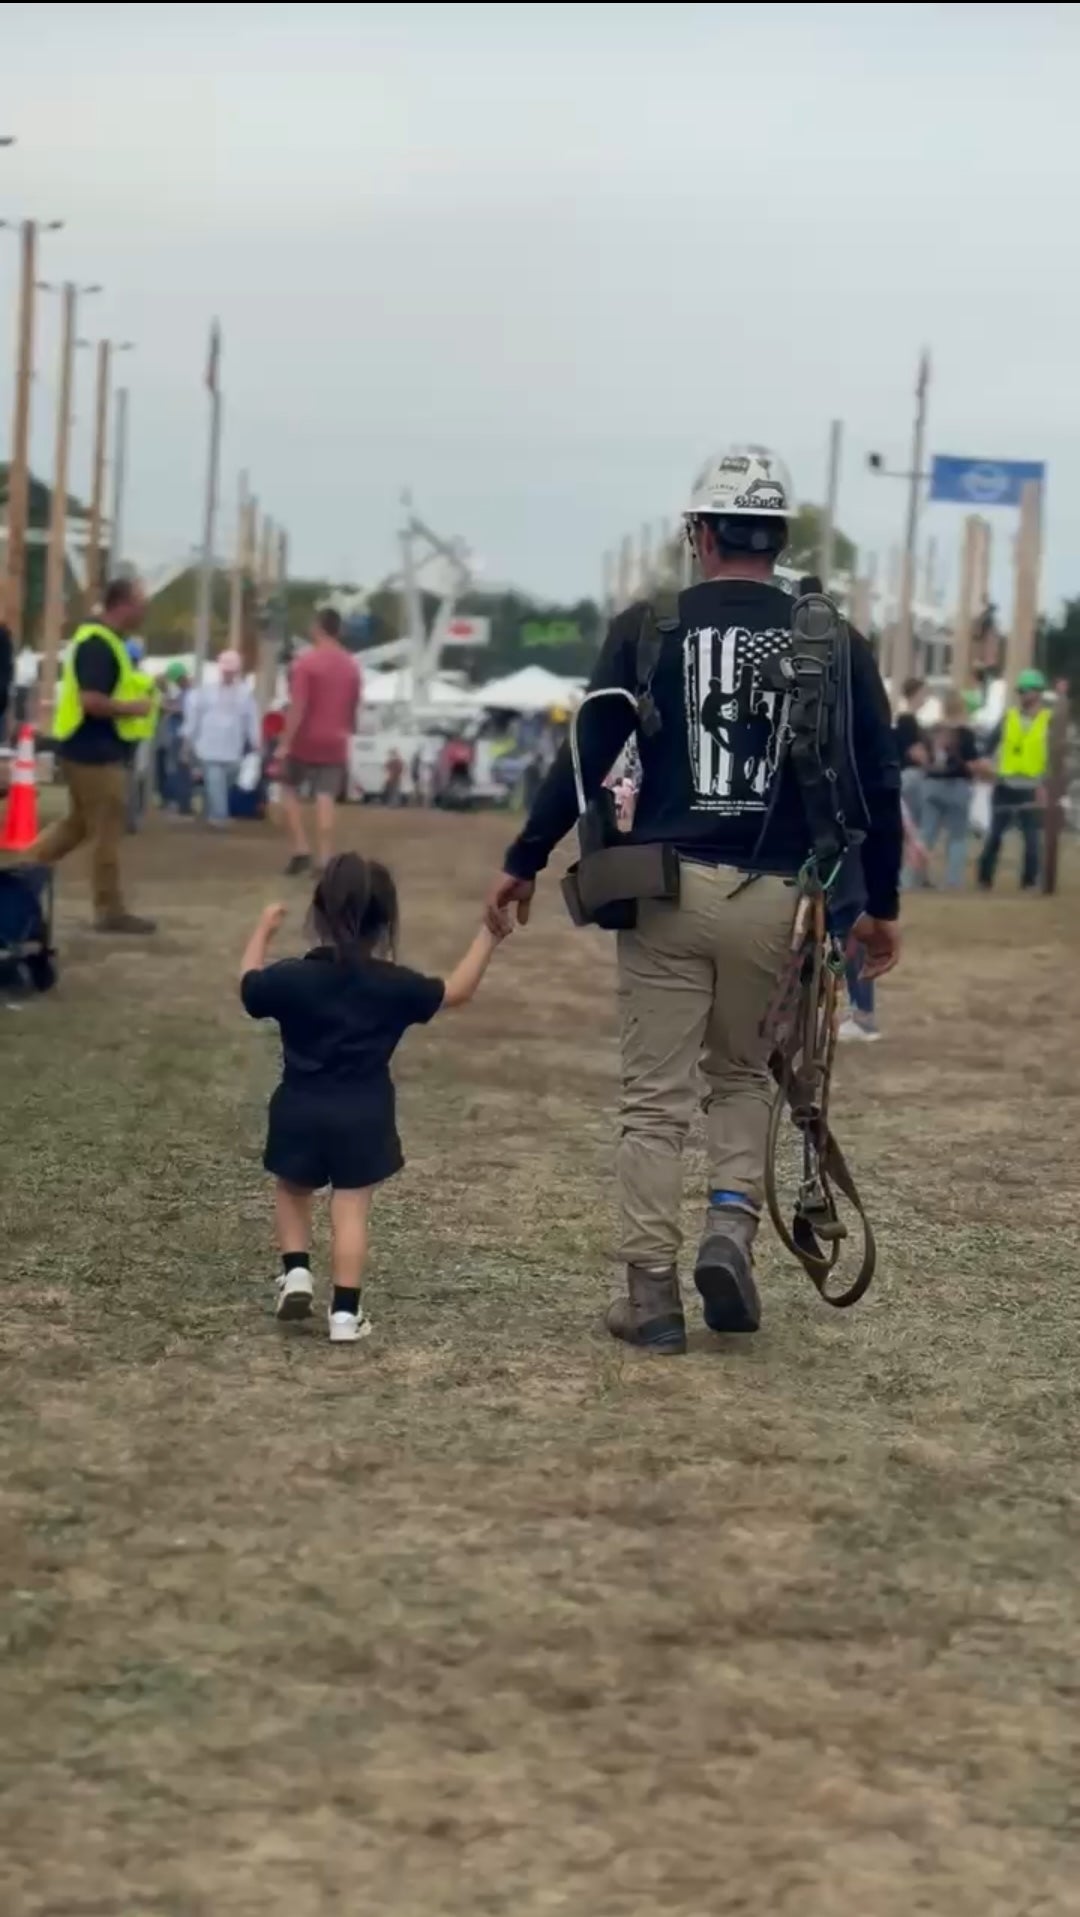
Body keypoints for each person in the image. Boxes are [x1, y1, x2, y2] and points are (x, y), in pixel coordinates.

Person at [485, 445, 902, 1353]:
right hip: (779, 898)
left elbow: (589, 757)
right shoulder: (832, 638)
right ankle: (727, 1232)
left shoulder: (648, 628)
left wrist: (524, 859)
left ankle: (650, 1295)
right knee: (743, 1075)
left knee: (654, 1101)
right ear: (778, 539)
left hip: (665, 890)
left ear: (702, 534)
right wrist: (880, 906)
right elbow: (878, 776)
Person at [240, 853, 510, 1342]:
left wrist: (263, 928)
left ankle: (296, 1271)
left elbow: (248, 987)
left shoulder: (292, 978)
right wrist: (488, 936)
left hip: (298, 1106)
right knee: (350, 1209)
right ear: (385, 921)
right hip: (363, 1115)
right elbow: (457, 991)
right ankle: (345, 1314)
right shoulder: (393, 985)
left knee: (292, 1190)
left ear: (319, 913)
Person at [28, 577, 156, 935]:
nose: (144, 611)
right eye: (140, 604)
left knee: (78, 825)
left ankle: (19, 871)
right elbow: (91, 701)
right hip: (93, 753)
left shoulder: (108, 641)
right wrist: (134, 708)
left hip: (91, 750)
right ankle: (109, 908)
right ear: (122, 604)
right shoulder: (97, 645)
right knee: (106, 830)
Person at [280, 608, 361, 875]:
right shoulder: (351, 665)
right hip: (336, 739)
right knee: (325, 796)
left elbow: (298, 706)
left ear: (318, 628)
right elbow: (354, 704)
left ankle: (301, 849)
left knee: (288, 788)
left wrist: (285, 742)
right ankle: (325, 858)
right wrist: (347, 730)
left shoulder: (306, 663)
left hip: (305, 738)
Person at [976, 669, 1050, 891]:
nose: (1023, 694)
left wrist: (1047, 785)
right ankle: (984, 879)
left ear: (1038, 692)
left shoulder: (1049, 720)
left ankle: (1029, 881)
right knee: (995, 836)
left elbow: (1055, 756)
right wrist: (985, 765)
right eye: (1021, 691)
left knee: (1032, 840)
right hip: (1005, 785)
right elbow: (988, 746)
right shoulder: (1009, 718)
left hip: (1032, 787)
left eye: (1027, 690)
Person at [182, 648, 259, 827]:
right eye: (226, 671)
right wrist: (187, 741)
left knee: (221, 784)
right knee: (215, 780)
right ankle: (219, 817)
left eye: (232, 671)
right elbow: (194, 717)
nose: (228, 675)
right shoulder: (205, 691)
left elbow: (251, 719)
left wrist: (255, 740)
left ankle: (209, 812)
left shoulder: (245, 693)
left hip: (233, 748)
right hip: (208, 746)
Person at [920, 689, 978, 889]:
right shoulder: (966, 733)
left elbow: (925, 758)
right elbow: (971, 762)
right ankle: (953, 881)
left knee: (926, 835)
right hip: (957, 785)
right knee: (957, 837)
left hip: (931, 784)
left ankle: (913, 878)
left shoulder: (933, 730)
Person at [124, 638, 159, 834]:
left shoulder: (121, 679)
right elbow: (155, 705)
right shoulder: (147, 680)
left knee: (126, 776)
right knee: (138, 776)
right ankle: (135, 815)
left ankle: (129, 816)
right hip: (143, 733)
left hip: (125, 732)